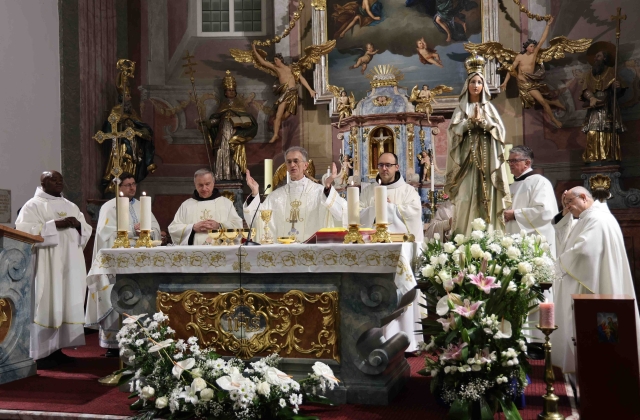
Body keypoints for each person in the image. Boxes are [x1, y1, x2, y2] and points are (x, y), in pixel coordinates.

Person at [551, 186, 640, 375]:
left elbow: (584, 252)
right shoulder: (589, 217)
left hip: (595, 286)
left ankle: (599, 371)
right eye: (565, 203)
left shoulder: (596, 219)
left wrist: (557, 264)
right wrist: (565, 211)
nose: (568, 207)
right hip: (594, 280)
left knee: (599, 329)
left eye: (570, 202)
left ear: (584, 197)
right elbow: (566, 238)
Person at [15, 171, 92, 369]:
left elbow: (86, 230)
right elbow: (23, 232)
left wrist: (78, 225)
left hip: (70, 263)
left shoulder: (71, 206)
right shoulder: (32, 206)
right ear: (43, 183)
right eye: (53, 180)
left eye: (60, 180)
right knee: (47, 302)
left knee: (66, 302)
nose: (58, 182)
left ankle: (58, 349)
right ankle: (42, 353)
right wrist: (54, 225)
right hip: (47, 264)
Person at [85, 172, 161, 356]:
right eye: (127, 185)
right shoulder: (109, 207)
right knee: (117, 295)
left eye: (134, 184)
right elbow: (104, 234)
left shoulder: (142, 205)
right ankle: (113, 345)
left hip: (140, 261)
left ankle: (140, 340)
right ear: (118, 188)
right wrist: (131, 230)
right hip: (117, 261)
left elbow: (156, 229)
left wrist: (147, 231)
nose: (132, 188)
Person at [444, 54, 510, 236]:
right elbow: (452, 133)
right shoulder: (460, 109)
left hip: (487, 162)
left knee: (487, 196)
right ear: (467, 85)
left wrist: (485, 124)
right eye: (472, 82)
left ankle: (488, 235)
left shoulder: (489, 108)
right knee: (465, 197)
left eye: (479, 82)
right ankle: (463, 235)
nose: (476, 85)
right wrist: (469, 124)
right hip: (466, 162)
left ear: (483, 86)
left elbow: (500, 132)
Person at [243, 146, 345, 242]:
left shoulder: (320, 192)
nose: (292, 165)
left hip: (312, 250)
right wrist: (255, 192)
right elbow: (258, 220)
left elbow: (340, 212)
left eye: (296, 161)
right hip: (283, 251)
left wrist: (328, 187)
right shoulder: (276, 197)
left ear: (305, 165)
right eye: (289, 162)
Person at [97, 65, 156, 195]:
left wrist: (137, 131)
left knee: (131, 166)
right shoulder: (116, 110)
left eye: (129, 95)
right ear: (121, 98)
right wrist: (120, 122)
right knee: (121, 162)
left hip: (133, 147)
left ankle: (128, 186)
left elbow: (142, 127)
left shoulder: (132, 113)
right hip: (121, 145)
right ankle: (116, 186)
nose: (129, 98)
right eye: (127, 95)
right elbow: (110, 126)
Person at [499, 17, 566, 128]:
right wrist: (505, 82)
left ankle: (554, 120)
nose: (533, 48)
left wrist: (548, 25)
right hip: (521, 85)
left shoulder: (534, 54)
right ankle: (555, 103)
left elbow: (542, 39)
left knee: (542, 101)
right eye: (531, 46)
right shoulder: (519, 57)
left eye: (534, 46)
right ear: (526, 47)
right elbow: (511, 70)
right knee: (537, 100)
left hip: (530, 83)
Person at [251, 44, 316, 144]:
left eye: (276, 59)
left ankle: (276, 123)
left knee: (286, 115)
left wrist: (310, 90)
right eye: (274, 60)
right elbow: (263, 62)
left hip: (293, 93)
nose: (275, 62)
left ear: (281, 59)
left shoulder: (291, 68)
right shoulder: (276, 69)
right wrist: (254, 50)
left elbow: (301, 78)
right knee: (278, 114)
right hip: (285, 93)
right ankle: (275, 134)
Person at [200, 70, 258, 180]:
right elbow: (217, 120)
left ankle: (235, 174)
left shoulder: (239, 105)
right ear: (225, 92)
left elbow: (247, 119)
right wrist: (209, 123)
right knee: (221, 151)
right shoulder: (222, 105)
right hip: (222, 132)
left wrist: (243, 123)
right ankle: (222, 175)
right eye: (228, 90)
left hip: (235, 132)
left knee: (234, 151)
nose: (231, 92)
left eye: (232, 90)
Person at [503, 145, 558, 255]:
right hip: (514, 240)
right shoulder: (512, 186)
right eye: (509, 161)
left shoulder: (539, 182)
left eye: (514, 161)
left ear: (527, 163)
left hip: (535, 241)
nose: (510, 164)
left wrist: (515, 214)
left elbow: (545, 211)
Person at [359, 152, 424, 242]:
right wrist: (375, 208)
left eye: (388, 165)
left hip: (399, 243)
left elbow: (414, 214)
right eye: (381, 165)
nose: (384, 168)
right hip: (372, 243)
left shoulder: (408, 191)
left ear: (396, 167)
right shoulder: (368, 191)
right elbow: (357, 214)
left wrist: (388, 207)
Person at [168, 169, 243, 245]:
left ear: (213, 183)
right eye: (200, 185)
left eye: (207, 184)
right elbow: (173, 228)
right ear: (195, 184)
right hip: (193, 251)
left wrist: (219, 226)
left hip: (220, 250)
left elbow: (238, 227)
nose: (204, 188)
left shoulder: (226, 203)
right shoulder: (186, 205)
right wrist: (193, 228)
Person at [580, 50, 625, 163]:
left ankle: (608, 155)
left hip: (608, 105)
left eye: (598, 56)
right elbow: (585, 90)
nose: (596, 58)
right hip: (593, 106)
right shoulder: (589, 74)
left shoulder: (612, 72)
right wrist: (591, 97)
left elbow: (619, 91)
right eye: (595, 56)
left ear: (605, 58)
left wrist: (616, 87)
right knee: (592, 130)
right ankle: (592, 156)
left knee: (608, 129)